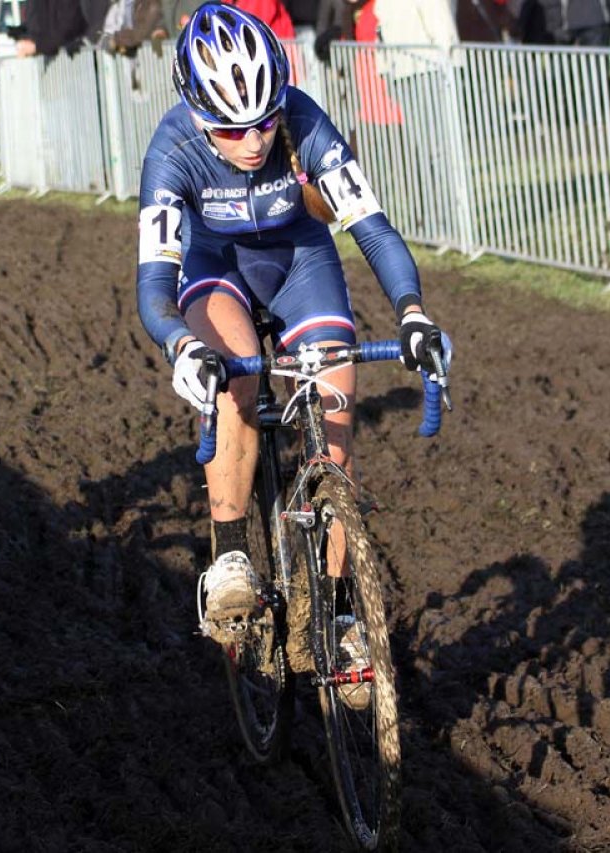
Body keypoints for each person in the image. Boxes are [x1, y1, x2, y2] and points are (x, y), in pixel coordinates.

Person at [136, 3, 448, 625]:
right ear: (197, 117)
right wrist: (181, 345)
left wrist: (412, 313)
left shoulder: (305, 121)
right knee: (239, 386)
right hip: (217, 269)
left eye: (263, 122)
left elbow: (374, 231)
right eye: (230, 129)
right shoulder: (170, 152)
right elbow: (153, 287)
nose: (253, 142)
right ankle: (229, 558)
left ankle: (336, 615)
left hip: (302, 264)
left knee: (335, 427)